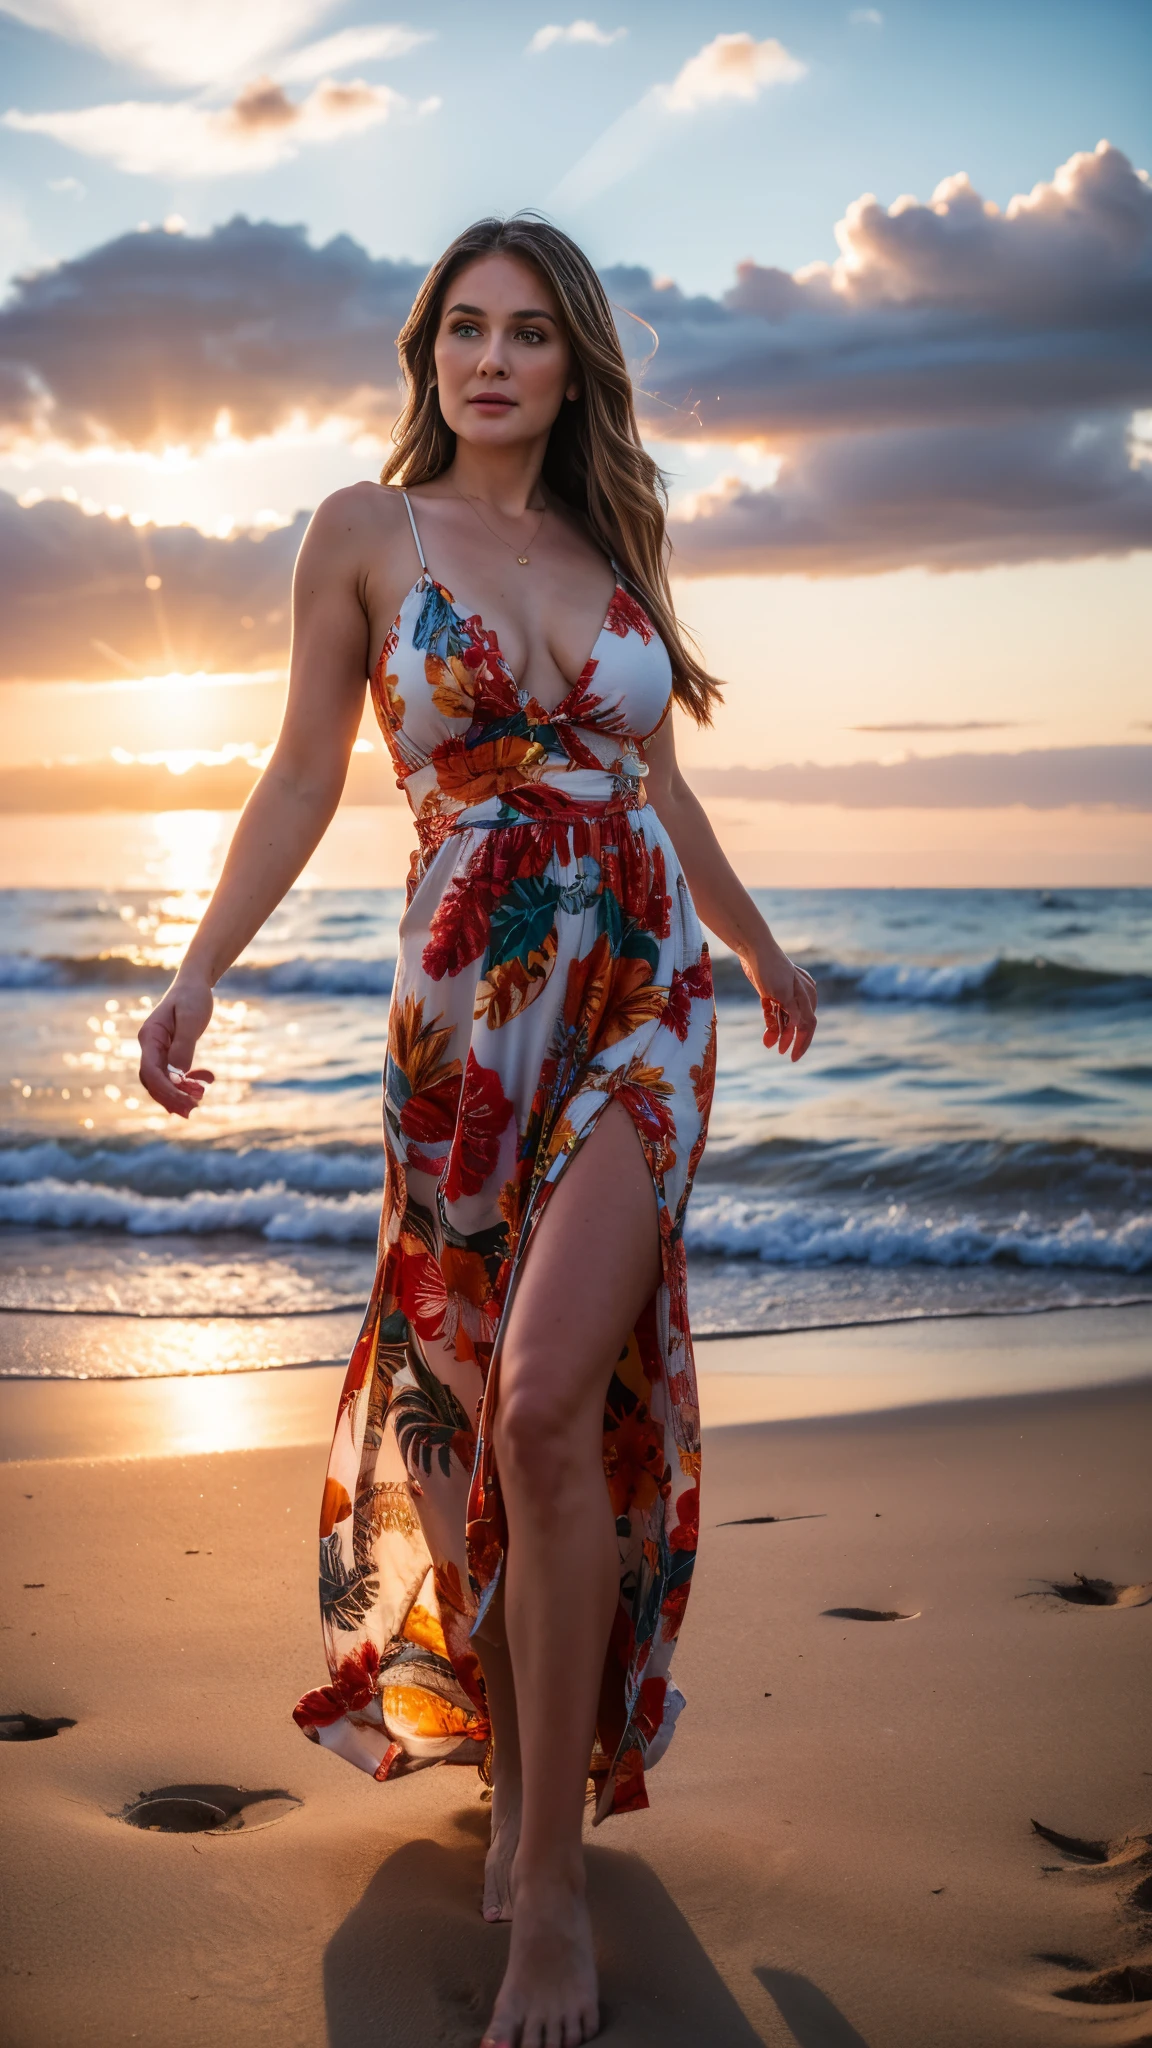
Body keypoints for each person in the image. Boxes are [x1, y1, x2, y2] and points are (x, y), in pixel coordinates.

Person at [138, 214, 816, 2048]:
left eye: (526, 332)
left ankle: (547, 1886)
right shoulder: (366, 532)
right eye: (463, 329)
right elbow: (297, 774)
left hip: (637, 1007)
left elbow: (659, 782)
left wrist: (754, 951)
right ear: (428, 353)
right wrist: (196, 970)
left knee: (536, 1397)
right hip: (463, 1024)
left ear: (574, 361)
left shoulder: (614, 552)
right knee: (474, 1418)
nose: (491, 359)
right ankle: (525, 1786)